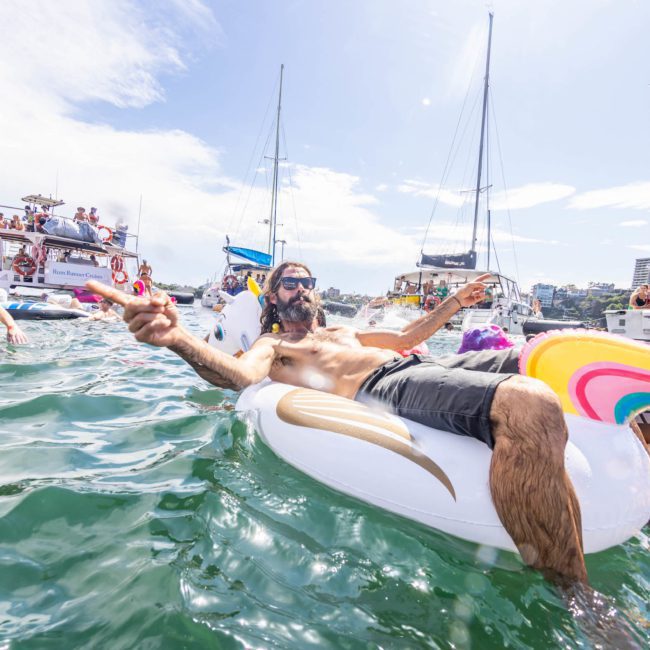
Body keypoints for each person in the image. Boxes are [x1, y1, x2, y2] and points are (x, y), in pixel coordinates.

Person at [87, 261, 589, 587]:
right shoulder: (277, 347)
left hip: (415, 366)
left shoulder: (345, 329)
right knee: (531, 403)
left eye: (308, 282)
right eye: (290, 282)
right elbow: (237, 374)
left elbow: (410, 334)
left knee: (542, 363)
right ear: (274, 299)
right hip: (385, 388)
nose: (302, 288)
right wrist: (177, 339)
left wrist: (456, 303)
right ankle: (574, 593)